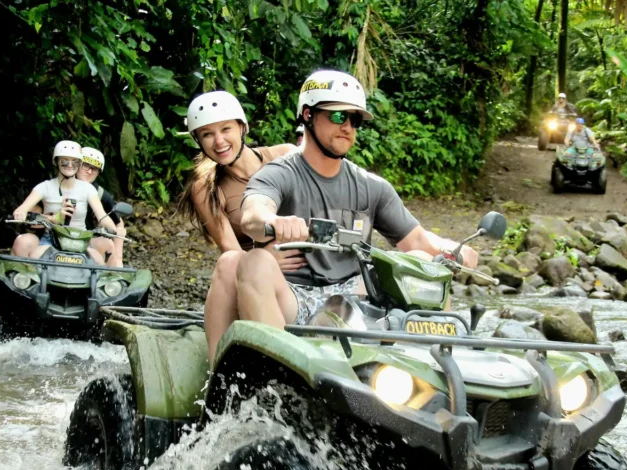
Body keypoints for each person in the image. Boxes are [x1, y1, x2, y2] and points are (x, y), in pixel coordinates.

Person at [203, 69, 478, 362]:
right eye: (338, 116)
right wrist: (274, 223)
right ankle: (270, 380)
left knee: (424, 264)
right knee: (250, 261)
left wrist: (455, 251)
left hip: (355, 298)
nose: (348, 126)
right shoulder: (278, 173)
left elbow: (419, 241)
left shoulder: (372, 187)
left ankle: (440, 373)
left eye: (355, 120)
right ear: (308, 115)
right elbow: (254, 214)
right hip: (294, 297)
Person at [181, 91, 298, 263]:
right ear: (198, 140)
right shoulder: (206, 188)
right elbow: (231, 253)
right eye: (207, 134)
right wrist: (266, 259)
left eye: (226, 129)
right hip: (257, 273)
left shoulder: (286, 155)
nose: (219, 141)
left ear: (242, 127)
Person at [10, 140, 122, 264]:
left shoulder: (88, 189)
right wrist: (53, 218)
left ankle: (113, 280)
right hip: (51, 239)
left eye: (75, 161)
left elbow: (101, 215)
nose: (70, 165)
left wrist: (112, 229)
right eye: (64, 161)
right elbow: (22, 209)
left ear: (79, 164)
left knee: (98, 262)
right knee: (34, 255)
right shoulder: (44, 187)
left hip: (81, 240)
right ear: (56, 162)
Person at [78, 147, 125, 267]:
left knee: (106, 245)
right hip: (56, 237)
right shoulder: (59, 184)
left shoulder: (101, 194)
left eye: (94, 169)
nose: (89, 171)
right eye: (86, 165)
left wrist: (118, 258)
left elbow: (118, 223)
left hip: (86, 239)